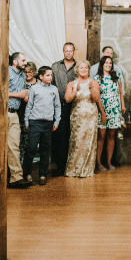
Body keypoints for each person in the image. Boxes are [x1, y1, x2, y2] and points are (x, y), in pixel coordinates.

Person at [64, 60, 106, 178]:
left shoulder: (94, 82)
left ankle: (86, 170)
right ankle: (73, 169)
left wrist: (92, 89)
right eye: (81, 68)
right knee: (76, 141)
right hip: (77, 117)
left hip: (91, 117)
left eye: (85, 68)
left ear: (88, 70)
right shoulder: (71, 83)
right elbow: (67, 99)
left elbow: (96, 99)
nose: (83, 70)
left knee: (89, 141)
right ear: (77, 70)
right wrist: (75, 90)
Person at [23, 66, 61, 186]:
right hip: (35, 121)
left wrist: (56, 121)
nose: (50, 77)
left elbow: (57, 106)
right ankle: (26, 173)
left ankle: (43, 174)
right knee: (32, 148)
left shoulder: (54, 89)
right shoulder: (34, 88)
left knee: (45, 149)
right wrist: (27, 121)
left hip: (48, 123)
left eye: (51, 75)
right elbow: (29, 105)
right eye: (48, 75)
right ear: (41, 76)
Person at [51, 42, 78, 177]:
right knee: (59, 137)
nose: (68, 53)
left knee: (72, 136)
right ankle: (60, 167)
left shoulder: (78, 67)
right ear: (63, 51)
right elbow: (52, 85)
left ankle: (71, 165)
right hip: (59, 106)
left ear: (74, 52)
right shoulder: (55, 66)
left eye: (70, 51)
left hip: (75, 106)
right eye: (66, 51)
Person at [94, 55, 125, 172]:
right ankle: (98, 162)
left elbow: (120, 92)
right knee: (101, 136)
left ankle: (109, 161)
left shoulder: (116, 77)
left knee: (111, 136)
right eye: (106, 63)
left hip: (115, 109)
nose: (108, 65)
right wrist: (102, 112)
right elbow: (97, 97)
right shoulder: (97, 78)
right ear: (102, 65)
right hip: (102, 110)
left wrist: (122, 105)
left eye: (110, 63)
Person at [6, 53, 31, 188]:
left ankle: (16, 178)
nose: (25, 62)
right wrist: (18, 95)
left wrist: (24, 96)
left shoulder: (22, 75)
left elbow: (21, 92)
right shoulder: (7, 72)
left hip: (15, 114)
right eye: (23, 60)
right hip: (2, 112)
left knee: (14, 145)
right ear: (15, 61)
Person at [19, 62, 38, 165]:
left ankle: (29, 161)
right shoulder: (20, 81)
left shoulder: (39, 83)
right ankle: (21, 160)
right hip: (21, 112)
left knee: (32, 138)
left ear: (34, 72)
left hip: (35, 113)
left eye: (30, 72)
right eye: (25, 72)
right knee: (21, 137)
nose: (27, 74)